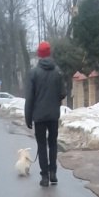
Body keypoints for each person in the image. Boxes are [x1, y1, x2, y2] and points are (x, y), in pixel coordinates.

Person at [24, 41, 66, 187]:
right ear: (50, 53)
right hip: (53, 115)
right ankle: (53, 173)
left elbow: (30, 97)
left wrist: (28, 117)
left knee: (41, 145)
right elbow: (63, 93)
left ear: (39, 55)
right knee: (53, 144)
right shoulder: (58, 71)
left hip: (39, 116)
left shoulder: (34, 73)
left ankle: (44, 177)